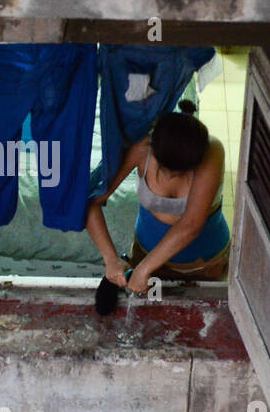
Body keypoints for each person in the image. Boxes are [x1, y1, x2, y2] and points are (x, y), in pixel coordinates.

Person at [85, 100, 229, 312]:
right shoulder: (141, 149)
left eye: (181, 173)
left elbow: (191, 224)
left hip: (204, 265)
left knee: (200, 321)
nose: (171, 177)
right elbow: (92, 203)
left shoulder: (212, 151)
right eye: (165, 170)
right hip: (146, 254)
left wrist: (144, 269)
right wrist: (111, 259)